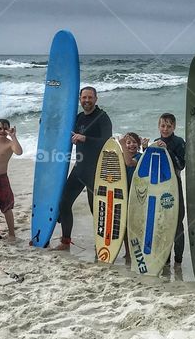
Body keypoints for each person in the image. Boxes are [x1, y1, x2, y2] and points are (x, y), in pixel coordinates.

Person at [53, 86, 113, 251]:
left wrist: (85, 138)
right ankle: (65, 242)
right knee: (64, 203)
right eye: (84, 98)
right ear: (80, 99)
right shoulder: (79, 118)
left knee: (97, 210)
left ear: (96, 99)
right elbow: (63, 127)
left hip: (96, 171)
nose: (86, 100)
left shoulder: (102, 117)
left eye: (90, 97)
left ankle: (102, 244)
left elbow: (108, 142)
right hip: (80, 169)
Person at [152, 113, 186, 264]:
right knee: (162, 222)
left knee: (177, 222)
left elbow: (181, 165)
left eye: (169, 126)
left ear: (174, 127)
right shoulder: (155, 142)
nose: (165, 129)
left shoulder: (179, 142)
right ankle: (164, 258)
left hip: (175, 185)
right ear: (159, 126)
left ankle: (178, 260)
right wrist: (146, 148)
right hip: (160, 186)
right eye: (163, 126)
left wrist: (168, 150)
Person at [120, 131, 143, 264]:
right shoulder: (120, 156)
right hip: (124, 195)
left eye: (134, 142)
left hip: (136, 197)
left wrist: (121, 144)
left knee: (134, 225)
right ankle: (128, 252)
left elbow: (129, 163)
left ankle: (136, 251)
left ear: (138, 145)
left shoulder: (139, 157)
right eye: (128, 142)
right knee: (124, 225)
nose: (131, 145)